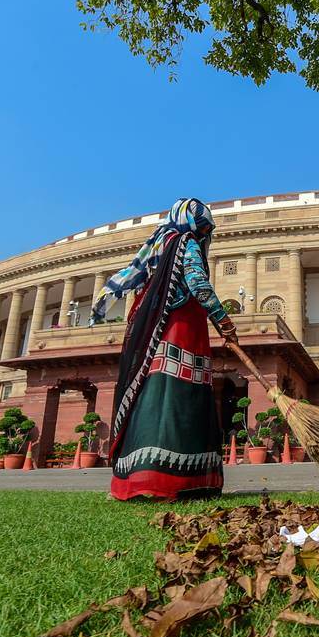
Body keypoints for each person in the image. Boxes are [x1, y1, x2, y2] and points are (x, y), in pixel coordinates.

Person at [90, 198, 237, 501]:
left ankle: (138, 479)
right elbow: (198, 284)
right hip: (183, 330)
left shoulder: (159, 243)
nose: (208, 233)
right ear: (198, 225)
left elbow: (136, 281)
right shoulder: (189, 243)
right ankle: (176, 481)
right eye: (207, 227)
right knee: (180, 396)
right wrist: (223, 320)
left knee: (153, 396)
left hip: (154, 332)